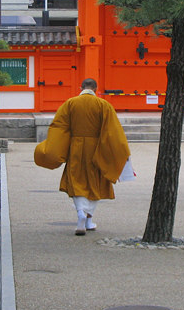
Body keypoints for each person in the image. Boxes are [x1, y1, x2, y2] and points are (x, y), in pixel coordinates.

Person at [34, 78, 130, 235]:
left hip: (76, 148)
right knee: (95, 183)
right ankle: (89, 219)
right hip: (97, 149)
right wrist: (119, 151)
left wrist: (55, 148)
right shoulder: (104, 105)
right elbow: (113, 131)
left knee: (76, 180)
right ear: (96, 89)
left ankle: (80, 214)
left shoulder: (70, 103)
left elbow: (59, 127)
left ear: (81, 87)